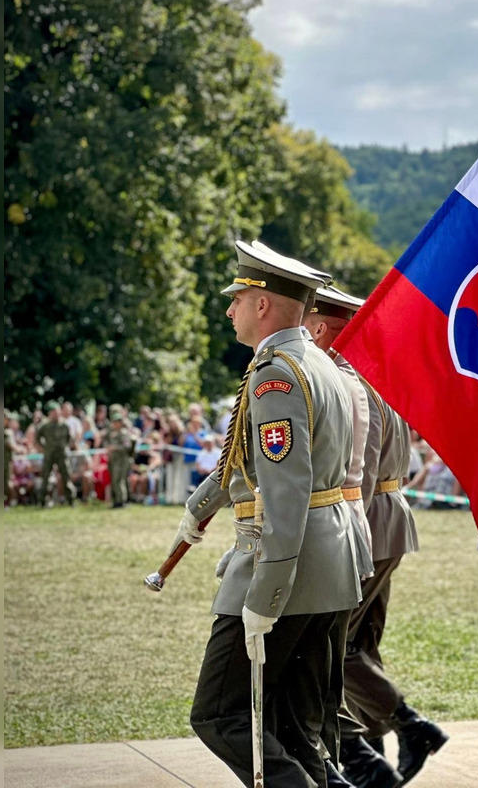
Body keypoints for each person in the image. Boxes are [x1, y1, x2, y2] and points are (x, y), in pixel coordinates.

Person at [171, 241, 364, 788]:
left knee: (219, 713)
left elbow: (286, 489)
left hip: (290, 565)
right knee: (294, 727)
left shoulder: (275, 375)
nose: (229, 309)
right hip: (332, 559)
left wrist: (264, 594)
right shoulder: (317, 364)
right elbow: (250, 461)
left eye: (238, 297)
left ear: (263, 303)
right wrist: (199, 507)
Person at [307, 286, 444, 787]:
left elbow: (357, 471)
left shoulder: (347, 384)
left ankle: (408, 727)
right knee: (363, 644)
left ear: (324, 328)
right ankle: (373, 748)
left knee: (338, 648)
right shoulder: (378, 379)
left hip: (367, 520)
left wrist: (348, 539)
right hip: (391, 517)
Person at [35, 399, 75, 506]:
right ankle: (42, 500)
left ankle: (70, 499)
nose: (55, 414)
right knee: (45, 477)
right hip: (49, 454)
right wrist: (42, 447)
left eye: (57, 411)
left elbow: (70, 438)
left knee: (66, 476)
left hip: (62, 454)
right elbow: (37, 437)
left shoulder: (65, 425)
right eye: (53, 411)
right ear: (49, 413)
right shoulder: (44, 425)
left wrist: (65, 447)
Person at [102, 409, 135, 508]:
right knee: (115, 480)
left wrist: (114, 447)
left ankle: (121, 501)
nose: (115, 424)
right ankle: (117, 499)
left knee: (119, 480)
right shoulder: (111, 433)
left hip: (122, 461)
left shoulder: (124, 433)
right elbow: (105, 442)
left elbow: (127, 446)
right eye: (114, 422)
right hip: (113, 460)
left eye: (117, 422)